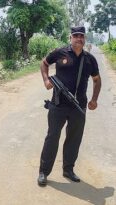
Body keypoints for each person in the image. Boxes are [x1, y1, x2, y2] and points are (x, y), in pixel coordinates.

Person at [37, 26, 101, 186]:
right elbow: (44, 63)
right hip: (58, 105)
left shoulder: (89, 59)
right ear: (70, 37)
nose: (79, 38)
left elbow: (97, 80)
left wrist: (94, 99)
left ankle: (68, 169)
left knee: (74, 139)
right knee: (52, 137)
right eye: (75, 35)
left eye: (82, 36)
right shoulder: (60, 52)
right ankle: (43, 172)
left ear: (84, 38)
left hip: (78, 106)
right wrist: (46, 80)